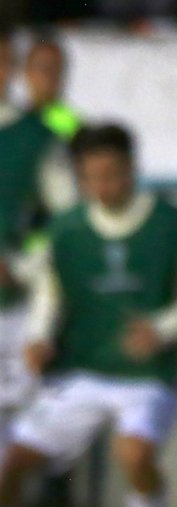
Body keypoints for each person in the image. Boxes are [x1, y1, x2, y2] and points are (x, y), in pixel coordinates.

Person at [0, 123, 177, 507]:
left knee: (134, 453)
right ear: (81, 179)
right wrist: (38, 338)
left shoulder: (171, 225)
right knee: (13, 460)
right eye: (92, 177)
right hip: (83, 369)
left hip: (148, 372)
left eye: (113, 175)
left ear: (132, 170)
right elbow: (49, 292)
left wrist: (163, 328)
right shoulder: (67, 230)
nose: (104, 186)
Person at [0, 30, 75, 457]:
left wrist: (22, 266)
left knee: (20, 415)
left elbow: (71, 222)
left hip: (17, 298)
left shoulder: (45, 133)